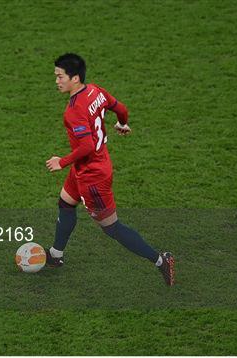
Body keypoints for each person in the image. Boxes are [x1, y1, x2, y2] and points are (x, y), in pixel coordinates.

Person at [45, 53, 175, 286]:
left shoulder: (73, 111)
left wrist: (61, 161)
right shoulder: (95, 90)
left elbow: (85, 146)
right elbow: (121, 108)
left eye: (60, 76)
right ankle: (56, 255)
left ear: (74, 78)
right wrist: (122, 124)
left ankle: (161, 260)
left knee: (112, 228)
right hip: (91, 165)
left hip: (92, 176)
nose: (56, 81)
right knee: (65, 202)